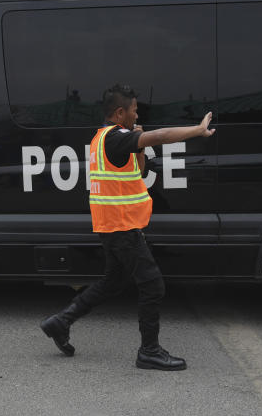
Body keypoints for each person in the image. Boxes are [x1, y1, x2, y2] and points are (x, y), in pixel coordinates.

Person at [39, 85, 215, 370]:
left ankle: (61, 322)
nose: (137, 114)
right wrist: (197, 130)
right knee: (152, 284)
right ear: (120, 113)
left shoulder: (105, 138)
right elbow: (161, 136)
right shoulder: (116, 138)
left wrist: (140, 145)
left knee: (113, 281)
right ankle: (149, 351)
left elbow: (142, 171)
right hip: (121, 227)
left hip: (112, 225)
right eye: (134, 110)